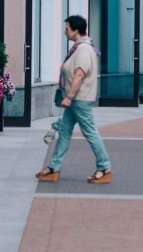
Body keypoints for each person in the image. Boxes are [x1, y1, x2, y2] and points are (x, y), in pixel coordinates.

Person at [36, 15, 111, 183]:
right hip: (75, 98)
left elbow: (79, 74)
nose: (65, 31)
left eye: (67, 28)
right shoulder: (80, 47)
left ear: (76, 30)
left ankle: (104, 167)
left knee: (90, 132)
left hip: (79, 98)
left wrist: (69, 97)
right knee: (64, 132)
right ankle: (54, 167)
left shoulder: (83, 49)